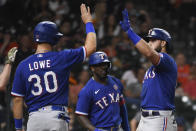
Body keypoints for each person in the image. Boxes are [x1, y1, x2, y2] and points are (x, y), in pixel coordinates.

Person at [11, 3, 96, 131]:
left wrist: (18, 129)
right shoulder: (62, 57)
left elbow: (17, 100)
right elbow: (91, 47)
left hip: (34, 119)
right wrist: (89, 22)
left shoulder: (23, 65)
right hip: (56, 117)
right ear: (54, 39)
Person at [119, 9, 177, 131]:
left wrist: (130, 32)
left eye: (153, 40)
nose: (149, 43)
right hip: (144, 118)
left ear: (163, 43)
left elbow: (148, 52)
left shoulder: (167, 60)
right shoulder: (152, 67)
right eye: (148, 40)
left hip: (160, 119)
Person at [75, 51, 130, 131]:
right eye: (99, 65)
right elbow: (81, 115)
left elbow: (122, 107)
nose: (104, 67)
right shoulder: (87, 90)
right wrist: (95, 130)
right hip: (100, 128)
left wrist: (127, 128)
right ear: (92, 68)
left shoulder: (116, 82)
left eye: (105, 64)